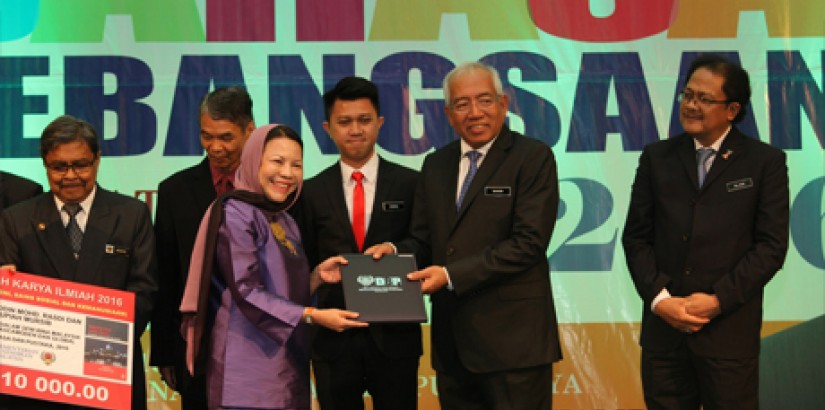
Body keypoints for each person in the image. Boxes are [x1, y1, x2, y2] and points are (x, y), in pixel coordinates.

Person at [368, 61, 562, 409]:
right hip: (453, 347)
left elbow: (528, 244)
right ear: (448, 113)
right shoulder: (436, 165)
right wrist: (394, 252)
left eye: (484, 100)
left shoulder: (532, 158)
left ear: (503, 104)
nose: (474, 112)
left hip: (514, 346)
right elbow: (425, 240)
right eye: (462, 104)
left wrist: (450, 275)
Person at [622, 54, 789, 409]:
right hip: (664, 336)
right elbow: (636, 238)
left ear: (731, 110)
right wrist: (660, 300)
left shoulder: (765, 163)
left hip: (728, 336)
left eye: (703, 99)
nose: (691, 105)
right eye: (687, 95)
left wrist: (717, 300)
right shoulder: (656, 158)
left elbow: (771, 248)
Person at [179, 124, 368, 410]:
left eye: (296, 165)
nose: (287, 174)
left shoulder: (284, 219)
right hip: (245, 372)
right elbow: (246, 290)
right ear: (254, 160)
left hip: (286, 366)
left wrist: (316, 277)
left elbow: (281, 289)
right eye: (277, 162)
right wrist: (313, 315)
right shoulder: (235, 212)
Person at [0, 115, 158, 410]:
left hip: (109, 373)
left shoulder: (131, 215)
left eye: (81, 165)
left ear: (97, 159)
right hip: (42, 379)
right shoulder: (16, 220)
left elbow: (145, 292)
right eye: (59, 167)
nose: (71, 175)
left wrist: (90, 344)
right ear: (45, 164)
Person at [296, 76, 421, 409]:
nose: (356, 129)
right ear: (328, 128)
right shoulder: (309, 192)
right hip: (333, 340)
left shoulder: (411, 183)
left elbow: (425, 242)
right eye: (345, 122)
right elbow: (299, 262)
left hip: (396, 339)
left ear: (379, 123)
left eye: (364, 120)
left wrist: (395, 250)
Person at [150, 86, 254, 409]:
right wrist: (166, 352)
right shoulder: (174, 191)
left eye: (225, 137)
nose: (214, 147)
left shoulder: (272, 188)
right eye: (206, 136)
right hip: (196, 349)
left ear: (249, 131)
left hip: (260, 348)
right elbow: (165, 277)